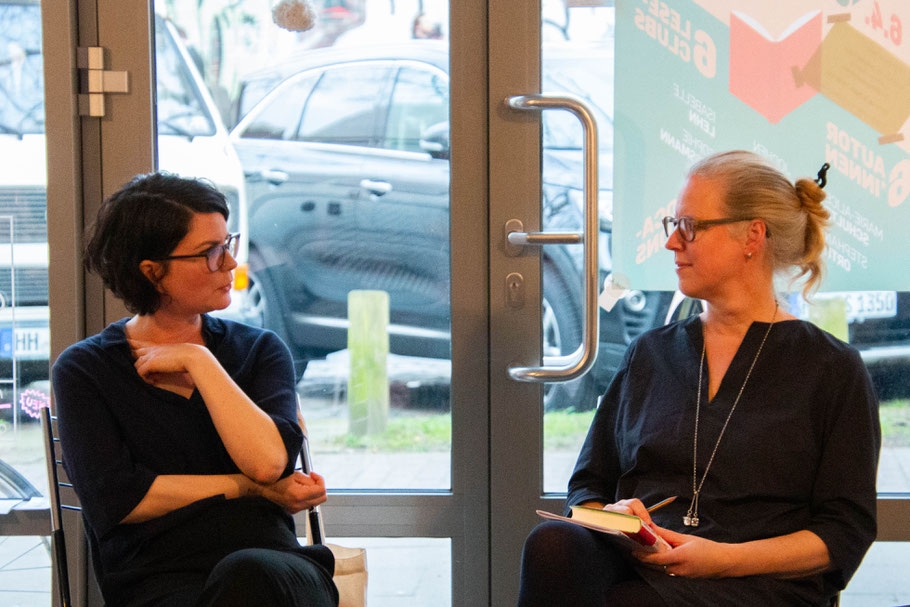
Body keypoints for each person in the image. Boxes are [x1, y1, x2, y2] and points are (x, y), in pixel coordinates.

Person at [518, 151, 881, 606]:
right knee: (552, 545)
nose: (673, 243)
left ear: (752, 234)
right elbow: (588, 488)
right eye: (673, 225)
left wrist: (723, 559)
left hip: (756, 581)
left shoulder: (830, 368)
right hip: (643, 563)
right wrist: (615, 518)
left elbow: (844, 531)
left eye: (689, 226)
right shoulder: (650, 354)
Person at [52, 173, 339, 607]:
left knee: (248, 574)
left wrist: (199, 361)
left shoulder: (259, 350)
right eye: (210, 253)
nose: (229, 264)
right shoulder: (85, 370)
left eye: (229, 244)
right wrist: (250, 490)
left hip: (277, 570)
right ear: (152, 272)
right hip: (156, 578)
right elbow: (122, 499)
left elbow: (267, 463)